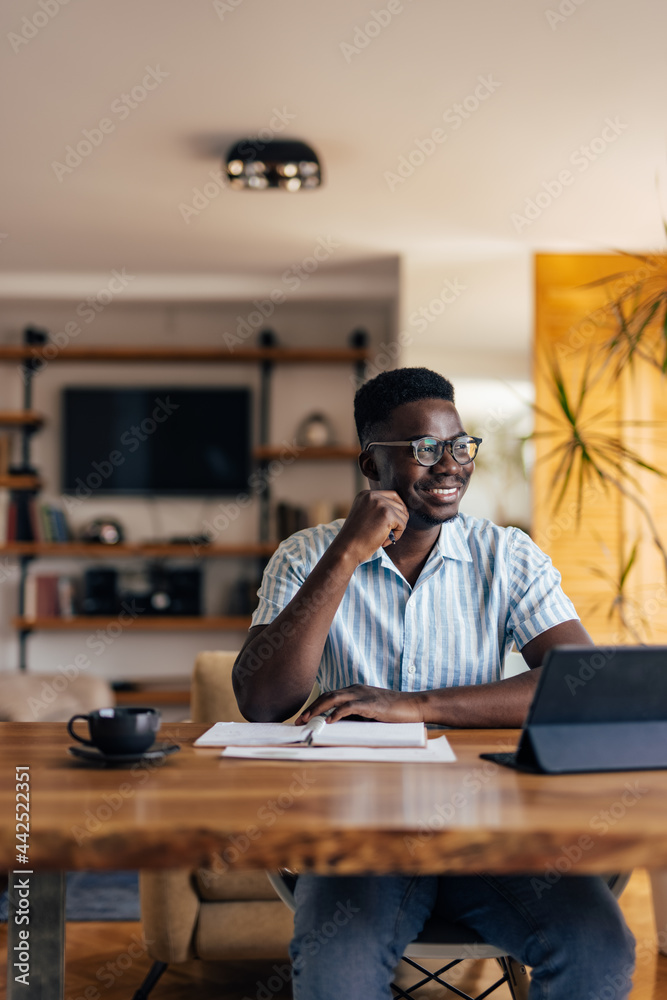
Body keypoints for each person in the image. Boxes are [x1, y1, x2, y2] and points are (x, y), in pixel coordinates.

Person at [232, 367, 635, 1000]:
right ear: (371, 464)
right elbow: (262, 703)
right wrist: (346, 554)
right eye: (424, 449)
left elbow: (577, 684)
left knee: (598, 948)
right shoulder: (306, 555)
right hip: (358, 842)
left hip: (494, 838)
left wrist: (408, 706)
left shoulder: (508, 556)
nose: (450, 464)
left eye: (459, 445)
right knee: (335, 974)